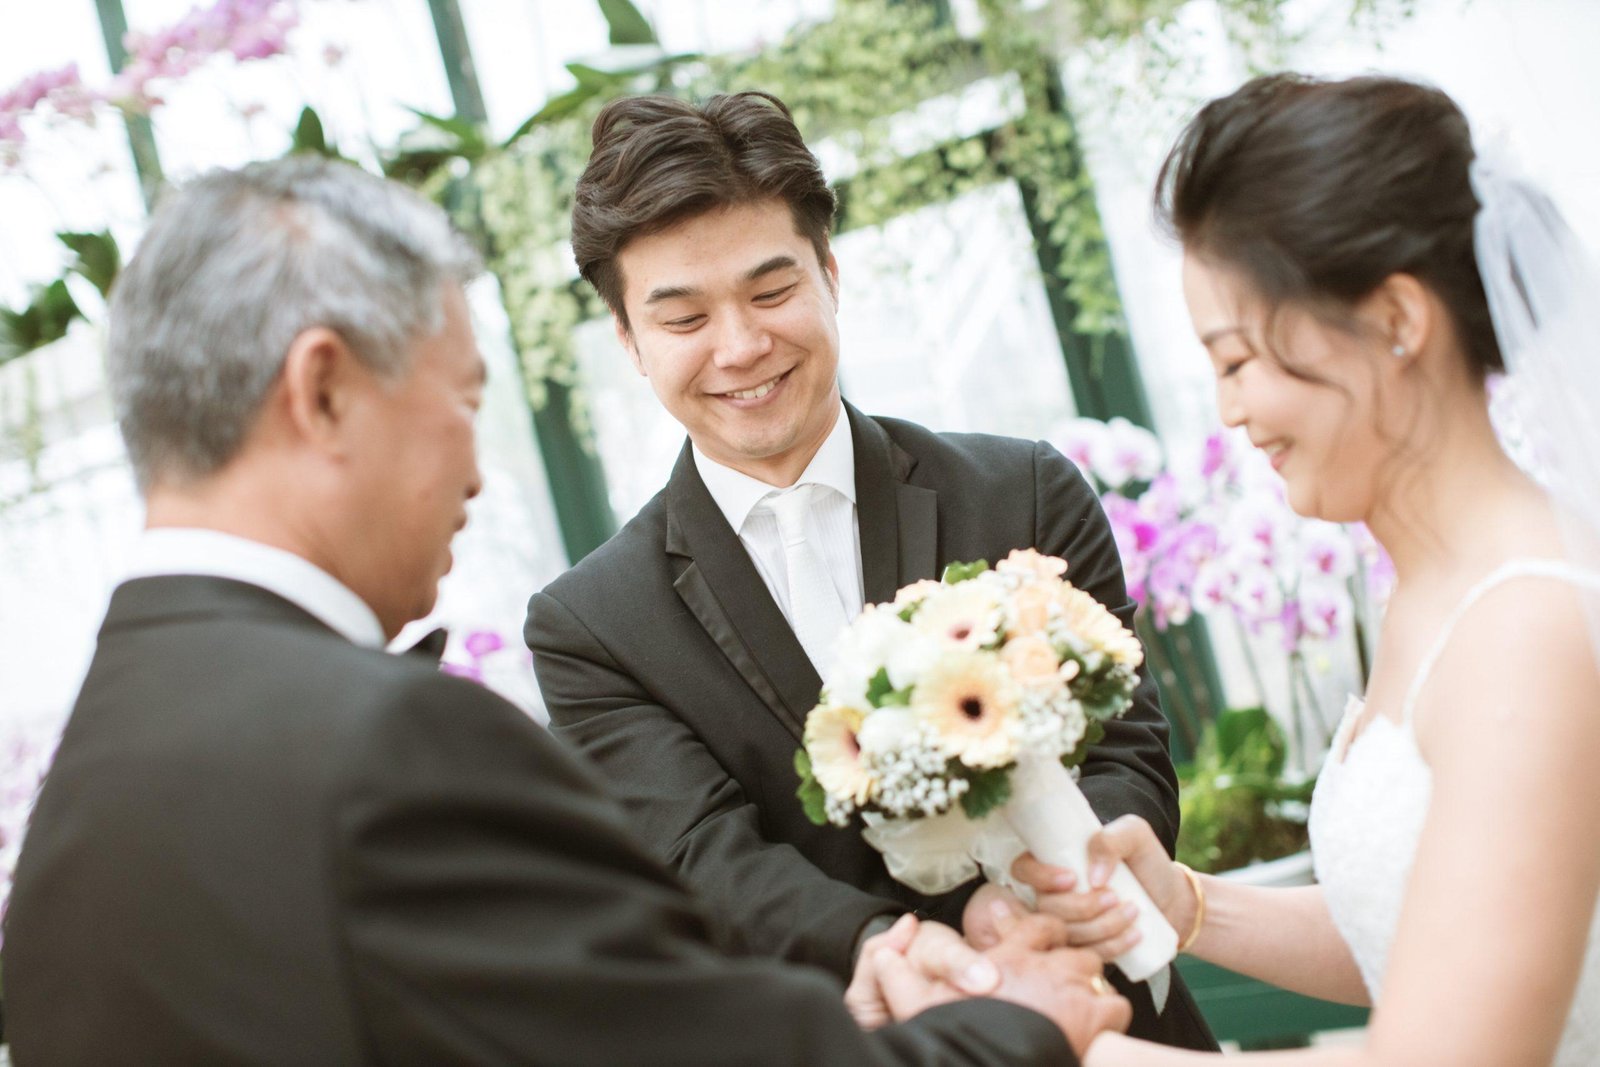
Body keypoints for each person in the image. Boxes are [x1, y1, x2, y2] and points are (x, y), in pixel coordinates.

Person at [0, 156, 1135, 1065]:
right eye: (463, 400)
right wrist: (1020, 1018)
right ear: (326, 389)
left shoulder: (76, 809)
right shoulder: (391, 743)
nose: (480, 475)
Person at [523, 90, 1216, 1052]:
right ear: (629, 341)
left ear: (831, 275)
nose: (741, 346)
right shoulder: (591, 625)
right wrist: (895, 947)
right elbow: (697, 854)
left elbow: (1124, 746)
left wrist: (1054, 897)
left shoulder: (1022, 491)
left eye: (772, 293)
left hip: (1108, 1010)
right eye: (683, 317)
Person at [1008, 74, 1600, 1065]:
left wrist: (1064, 1046)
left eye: (1239, 360)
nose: (1229, 410)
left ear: (1398, 320)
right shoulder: (1429, 596)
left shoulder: (1526, 631)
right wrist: (1187, 902)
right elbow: (1415, 929)